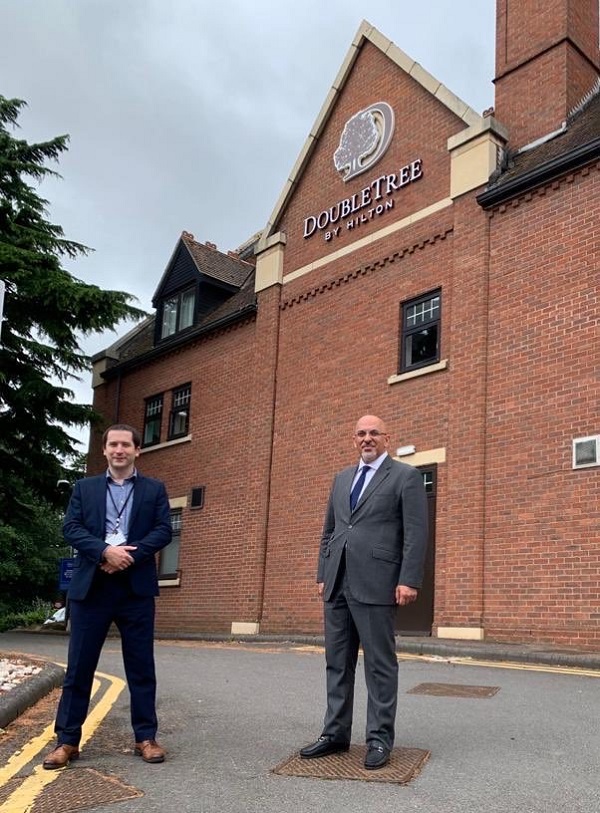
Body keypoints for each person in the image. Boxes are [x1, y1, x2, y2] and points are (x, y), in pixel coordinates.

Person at [300, 415, 428, 770]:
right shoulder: (341, 479)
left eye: (374, 433)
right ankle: (335, 735)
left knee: (379, 664)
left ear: (387, 438)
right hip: (337, 582)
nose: (367, 438)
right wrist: (323, 572)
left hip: (378, 581)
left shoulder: (405, 476)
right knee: (336, 663)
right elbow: (330, 530)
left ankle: (379, 739)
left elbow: (416, 532)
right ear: (353, 439)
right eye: (361, 433)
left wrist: (409, 579)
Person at [43, 424, 172, 769]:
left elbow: (163, 529)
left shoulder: (154, 489)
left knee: (142, 667)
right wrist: (104, 552)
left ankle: (145, 737)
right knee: (79, 668)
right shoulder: (84, 489)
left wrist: (130, 555)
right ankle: (67, 741)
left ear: (136, 450)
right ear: (104, 450)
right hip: (92, 588)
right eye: (113, 444)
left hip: (135, 589)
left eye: (125, 445)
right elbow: (71, 527)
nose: (119, 450)